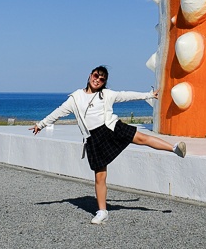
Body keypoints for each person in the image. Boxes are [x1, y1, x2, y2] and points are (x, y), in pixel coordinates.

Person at [31, 65, 186, 224]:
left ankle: (174, 148)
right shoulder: (75, 97)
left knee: (142, 138)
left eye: (102, 79)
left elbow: (125, 95)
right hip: (94, 138)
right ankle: (102, 211)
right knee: (100, 176)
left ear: (104, 82)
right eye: (96, 76)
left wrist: (148, 95)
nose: (98, 80)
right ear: (91, 75)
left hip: (112, 128)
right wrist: (41, 125)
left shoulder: (106, 94)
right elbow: (58, 112)